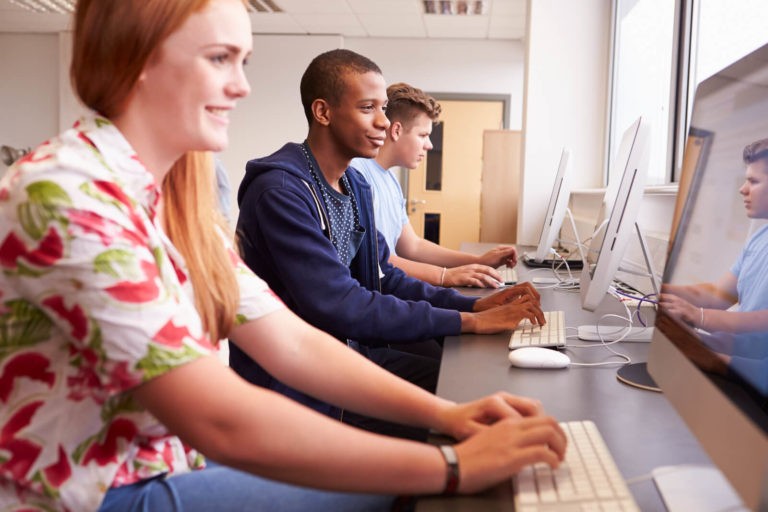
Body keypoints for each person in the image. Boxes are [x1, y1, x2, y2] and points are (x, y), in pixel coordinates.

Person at [0, 1, 567, 510]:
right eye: (221, 58)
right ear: (139, 58)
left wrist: (449, 413)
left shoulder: (179, 195)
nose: (243, 86)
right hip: (96, 491)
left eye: (242, 61)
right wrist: (451, 465)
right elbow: (219, 418)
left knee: (429, 452)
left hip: (170, 457)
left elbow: (292, 340)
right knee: (408, 484)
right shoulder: (67, 193)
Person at [234, 49, 546, 439]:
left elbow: (385, 277)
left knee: (473, 389)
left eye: (383, 108)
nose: (384, 122)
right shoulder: (281, 192)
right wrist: (469, 321)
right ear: (323, 112)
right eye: (368, 108)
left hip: (352, 357)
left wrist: (475, 304)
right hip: (303, 389)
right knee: (460, 418)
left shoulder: (354, 185)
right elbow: (341, 303)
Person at [351, 82, 517, 289]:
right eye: (423, 135)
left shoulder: (391, 180)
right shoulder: (356, 175)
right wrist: (444, 276)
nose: (429, 145)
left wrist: (478, 261)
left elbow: (413, 246)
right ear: (396, 130)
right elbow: (374, 259)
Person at [660, 138, 768, 395]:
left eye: (753, 181)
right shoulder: (759, 237)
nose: (743, 189)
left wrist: (700, 318)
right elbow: (718, 294)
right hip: (736, 354)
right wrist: (665, 291)